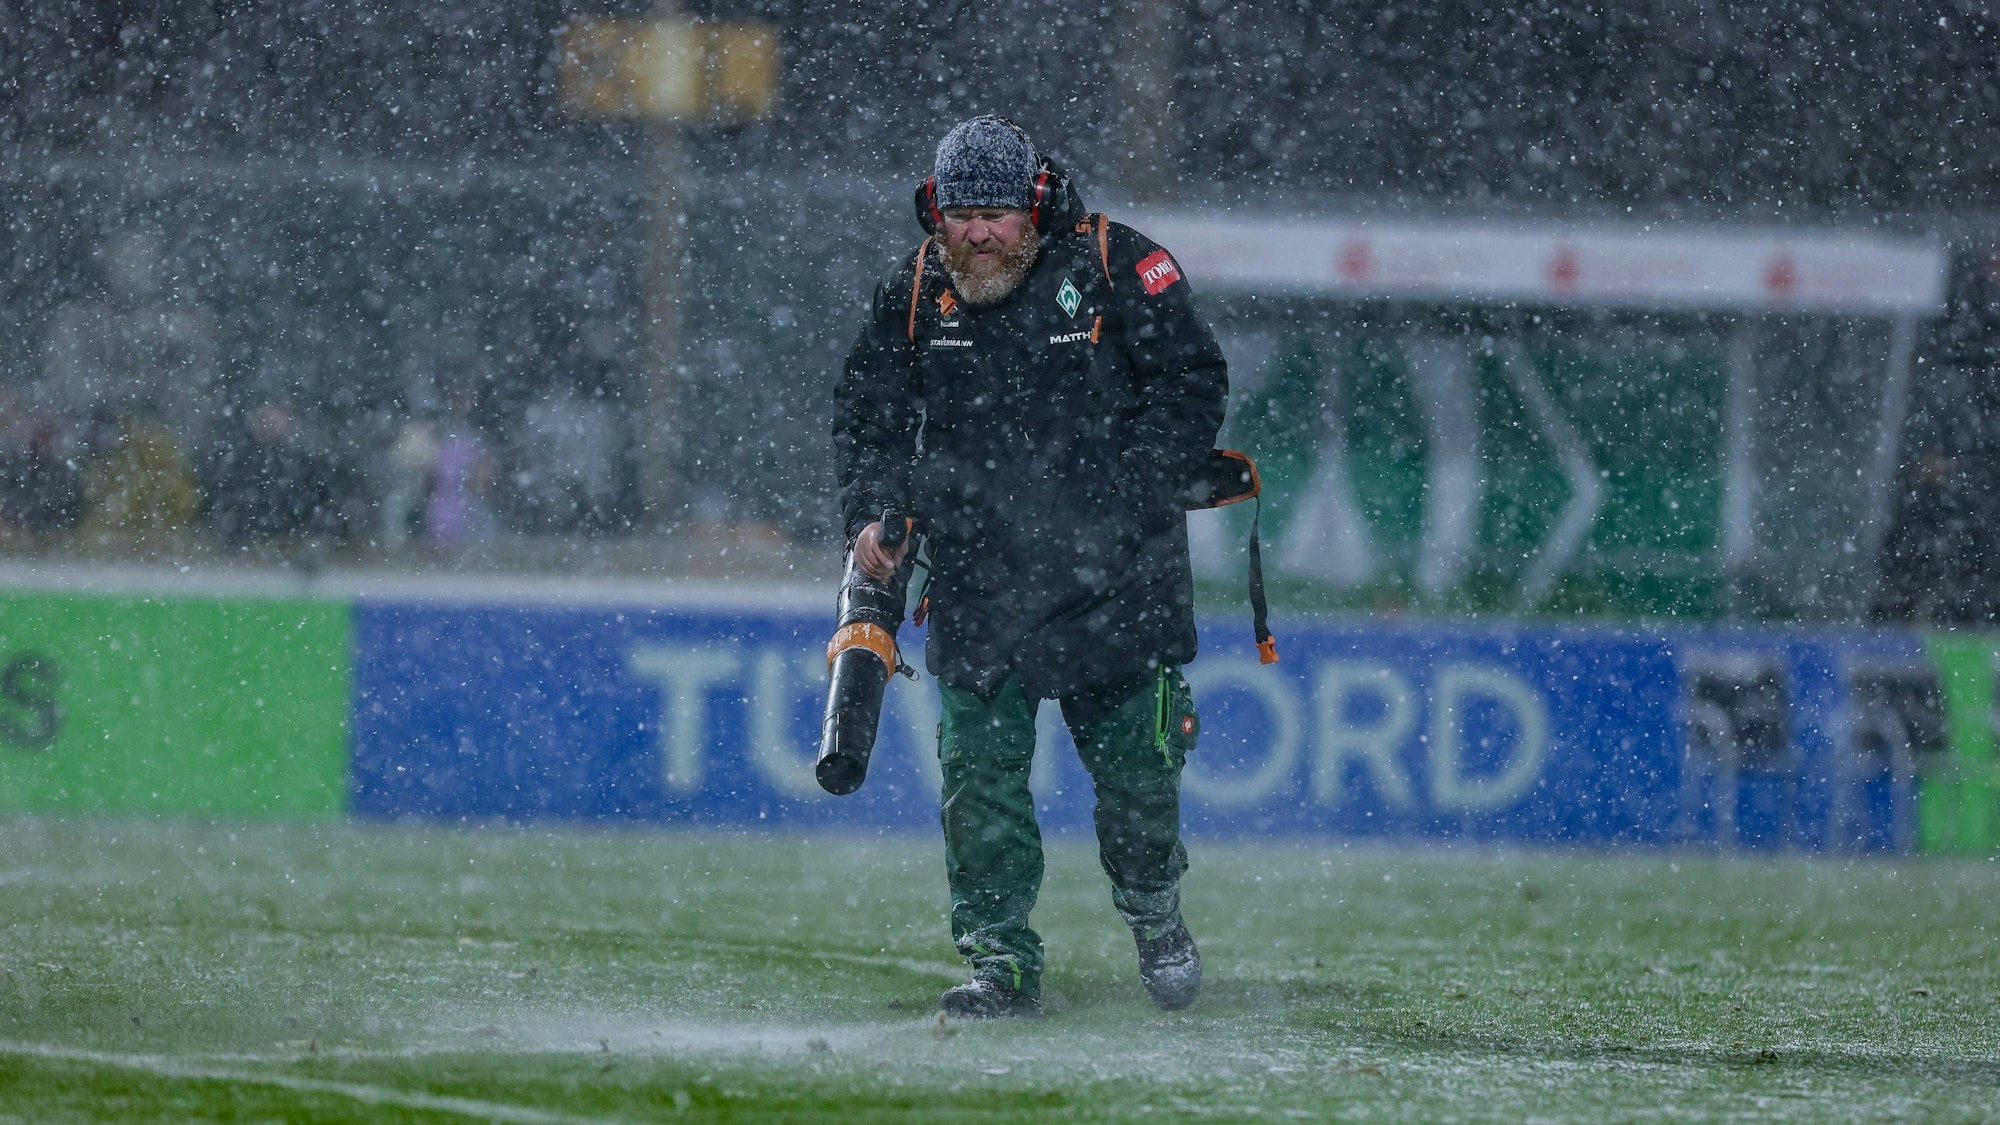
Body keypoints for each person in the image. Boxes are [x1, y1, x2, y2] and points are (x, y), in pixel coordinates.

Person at [832, 115, 1229, 1018]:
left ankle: (1155, 911)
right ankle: (1000, 963)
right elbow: (867, 417)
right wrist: (870, 512)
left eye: (998, 213)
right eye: (961, 213)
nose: (979, 232)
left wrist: (1128, 490)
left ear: (1036, 206)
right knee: (978, 782)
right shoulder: (915, 291)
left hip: (1113, 582)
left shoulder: (1119, 266)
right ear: (935, 211)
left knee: (1137, 781)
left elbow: (1194, 381)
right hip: (978, 584)